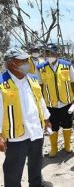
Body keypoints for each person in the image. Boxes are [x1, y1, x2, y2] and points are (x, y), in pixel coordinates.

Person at [0, 47, 52, 186]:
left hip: (36, 131)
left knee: (36, 165)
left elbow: (40, 100)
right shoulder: (2, 84)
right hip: (16, 137)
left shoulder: (32, 79)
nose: (26, 63)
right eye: (21, 60)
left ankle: (36, 184)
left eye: (26, 60)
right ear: (11, 63)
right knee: (13, 171)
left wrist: (46, 119)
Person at [36, 43, 74, 158]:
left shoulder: (67, 65)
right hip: (50, 104)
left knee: (67, 124)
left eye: (51, 53)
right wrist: (40, 103)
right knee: (52, 127)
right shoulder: (41, 68)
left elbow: (73, 82)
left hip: (66, 102)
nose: (49, 55)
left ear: (57, 54)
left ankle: (67, 145)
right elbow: (39, 87)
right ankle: (53, 148)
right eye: (47, 53)